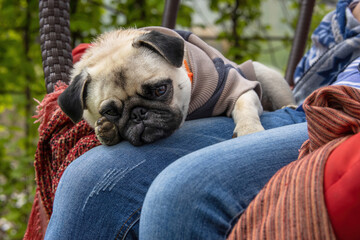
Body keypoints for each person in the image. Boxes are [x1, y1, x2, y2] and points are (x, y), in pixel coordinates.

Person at [44, 1, 360, 239]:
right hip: (313, 95)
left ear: (178, 60)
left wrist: (250, 124)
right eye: (113, 111)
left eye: (156, 91)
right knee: (84, 180)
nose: (139, 115)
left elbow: (242, 89)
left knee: (174, 192)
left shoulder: (207, 75)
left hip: (323, 113)